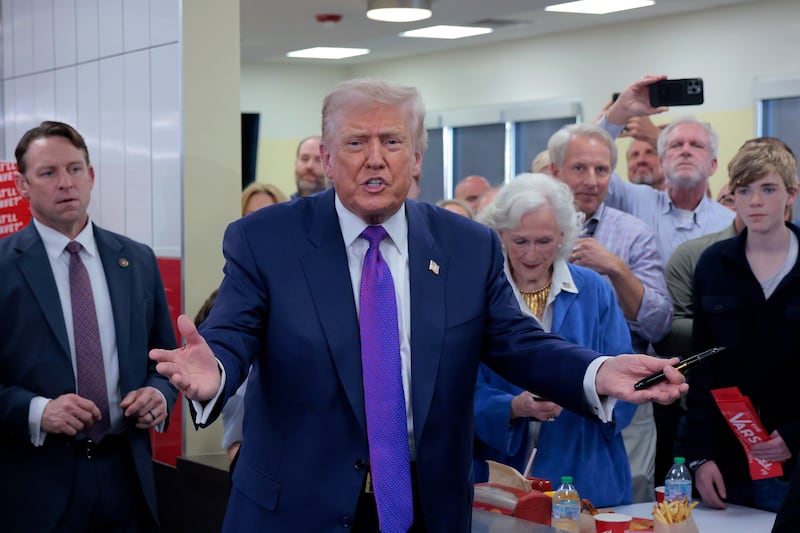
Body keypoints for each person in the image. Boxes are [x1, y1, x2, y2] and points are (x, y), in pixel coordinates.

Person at [150, 78, 687, 532]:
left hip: (426, 506)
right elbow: (233, 331)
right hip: (296, 507)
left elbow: (517, 342)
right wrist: (215, 370)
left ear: (418, 157)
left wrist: (598, 371)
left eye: (392, 141)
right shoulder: (266, 238)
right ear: (329, 157)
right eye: (357, 143)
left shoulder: (465, 245)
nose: (376, 159)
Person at [0, 121, 178, 532]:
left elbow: (164, 360)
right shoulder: (6, 267)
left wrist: (160, 393)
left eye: (75, 169)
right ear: (22, 184)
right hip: (36, 483)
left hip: (126, 475)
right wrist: (38, 411)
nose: (66, 183)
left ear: (91, 175)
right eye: (48, 173)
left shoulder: (136, 260)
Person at [599, 76, 736, 482]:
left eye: (696, 146)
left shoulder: (731, 223)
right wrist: (620, 111)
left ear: (713, 164)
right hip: (640, 364)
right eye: (675, 145)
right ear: (660, 162)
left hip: (708, 371)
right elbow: (593, 154)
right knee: (652, 481)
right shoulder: (634, 201)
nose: (685, 152)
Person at [473, 173, 636, 507]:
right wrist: (512, 407)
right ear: (500, 235)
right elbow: (457, 388)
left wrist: (586, 395)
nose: (531, 254)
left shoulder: (594, 289)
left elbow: (625, 379)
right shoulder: (477, 292)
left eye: (544, 241)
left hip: (585, 469)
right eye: (520, 241)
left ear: (563, 236)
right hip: (501, 474)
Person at [548, 123, 672, 503]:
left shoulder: (634, 233)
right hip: (550, 390)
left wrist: (618, 270)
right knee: (550, 506)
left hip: (626, 399)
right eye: (580, 168)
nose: (591, 180)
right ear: (556, 172)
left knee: (624, 502)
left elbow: (658, 323)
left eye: (601, 170)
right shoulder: (534, 229)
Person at [678, 138, 800, 512]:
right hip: (729, 463)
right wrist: (699, 457)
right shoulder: (714, 264)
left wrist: (796, 435)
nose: (756, 202)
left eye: (768, 189)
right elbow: (700, 366)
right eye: (744, 191)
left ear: (791, 194)